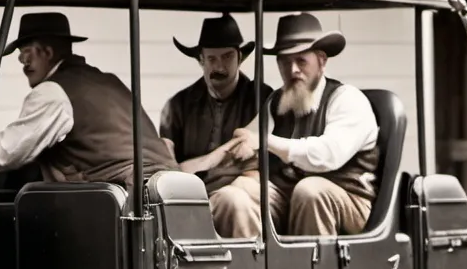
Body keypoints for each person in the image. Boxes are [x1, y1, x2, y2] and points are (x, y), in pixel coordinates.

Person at [0, 12, 176, 188]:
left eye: (27, 55)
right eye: (21, 58)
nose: (24, 64)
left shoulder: (52, 92)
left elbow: (7, 152)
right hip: (169, 187)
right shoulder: (107, 80)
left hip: (128, 197)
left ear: (48, 53)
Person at [228, 13, 380, 237]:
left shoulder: (347, 99)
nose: (292, 70)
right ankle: (255, 268)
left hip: (349, 200)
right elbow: (245, 139)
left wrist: (264, 141)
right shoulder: (278, 102)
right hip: (291, 195)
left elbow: (327, 155)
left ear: (322, 60)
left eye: (301, 61)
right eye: (285, 62)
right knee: (237, 192)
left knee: (310, 191)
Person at [159, 13, 272, 237]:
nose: (219, 66)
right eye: (211, 59)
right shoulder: (178, 105)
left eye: (227, 56)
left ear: (240, 57)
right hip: (191, 200)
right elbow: (166, 170)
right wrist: (217, 157)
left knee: (235, 200)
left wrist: (195, 167)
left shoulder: (262, 98)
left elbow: (263, 165)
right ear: (200, 60)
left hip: (245, 198)